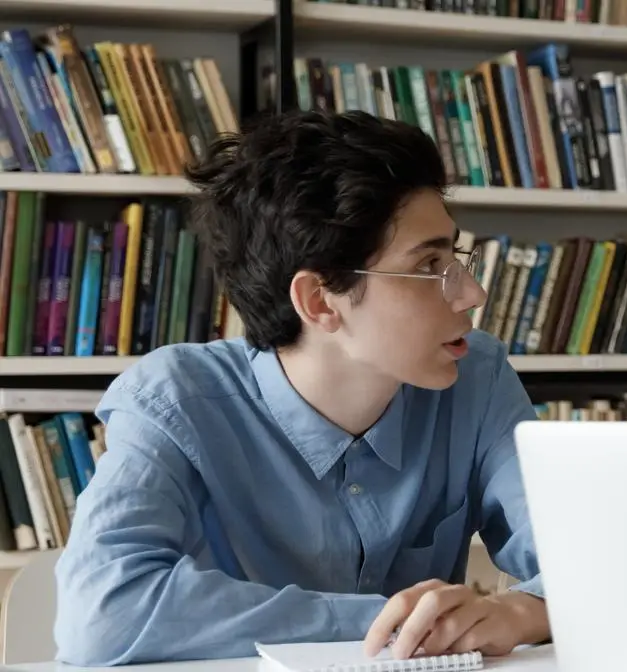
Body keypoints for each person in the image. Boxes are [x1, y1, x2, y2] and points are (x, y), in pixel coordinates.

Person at [53, 111, 550, 666]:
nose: (473, 294)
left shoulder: (476, 378)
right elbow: (101, 614)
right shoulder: (173, 400)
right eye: (431, 265)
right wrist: (396, 621)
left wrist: (520, 612)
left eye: (454, 257)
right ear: (319, 301)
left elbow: (590, 565)